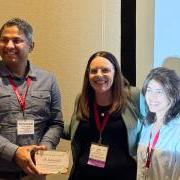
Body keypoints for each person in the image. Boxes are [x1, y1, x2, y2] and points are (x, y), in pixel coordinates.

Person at [0, 18, 64, 179]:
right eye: (4, 40)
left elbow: (56, 123)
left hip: (36, 173)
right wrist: (14, 152)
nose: (9, 46)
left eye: (16, 40)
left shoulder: (48, 80)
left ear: (31, 46)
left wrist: (45, 147)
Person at [63, 51, 142, 180]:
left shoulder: (133, 96)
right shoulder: (82, 99)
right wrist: (47, 124)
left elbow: (149, 128)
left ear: (115, 72)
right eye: (93, 71)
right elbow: (73, 130)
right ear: (87, 75)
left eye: (105, 70)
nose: (99, 75)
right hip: (83, 175)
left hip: (123, 176)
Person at [137, 67, 180, 180]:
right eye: (149, 90)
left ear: (173, 95)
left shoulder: (178, 129)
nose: (152, 97)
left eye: (159, 91)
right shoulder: (147, 125)